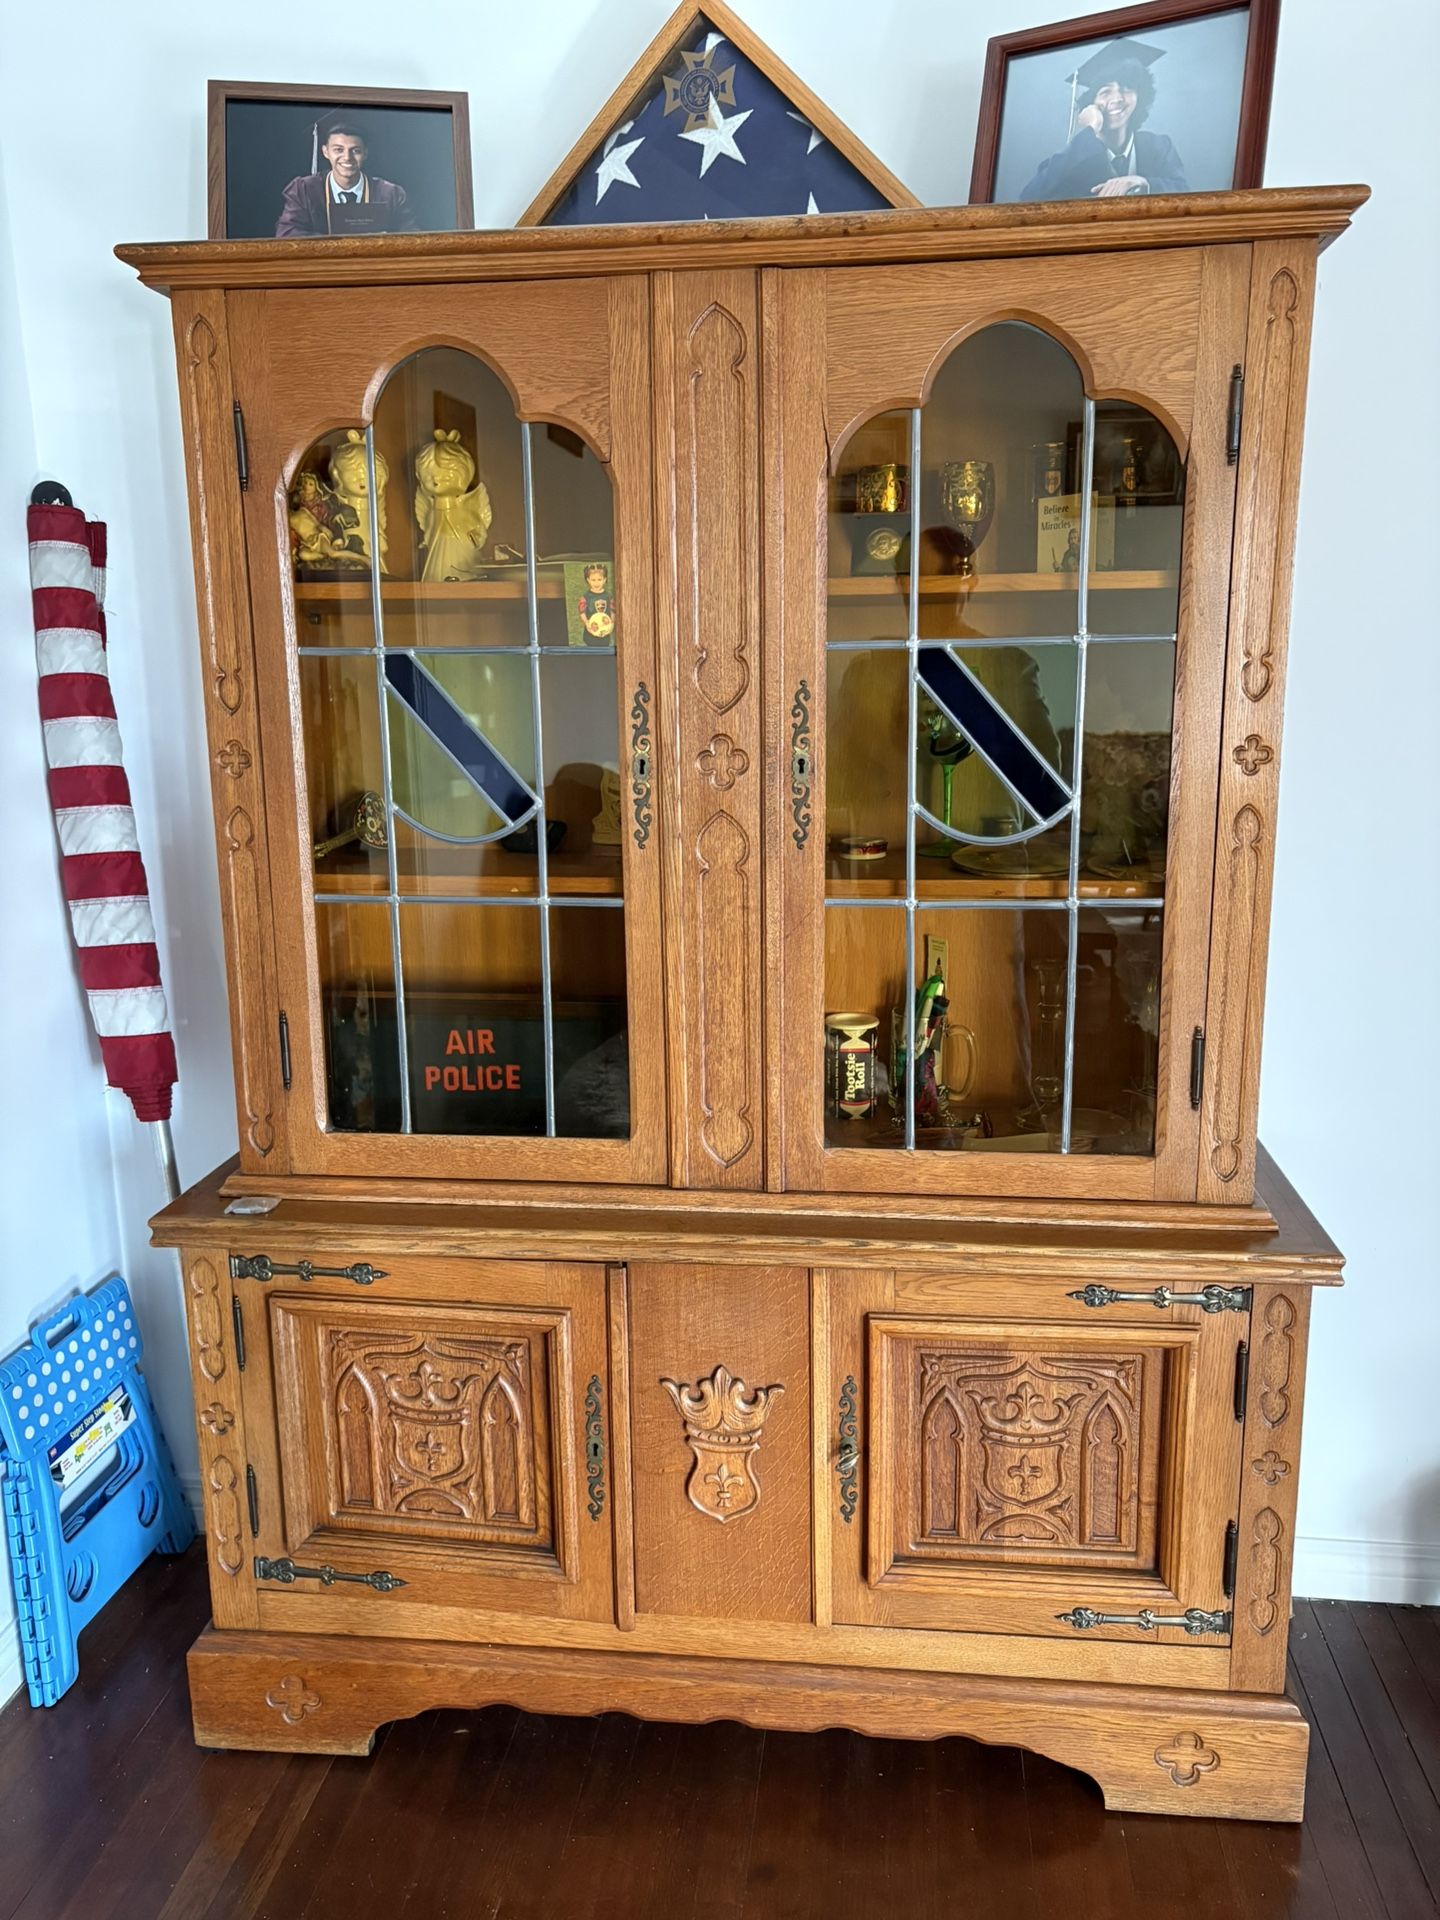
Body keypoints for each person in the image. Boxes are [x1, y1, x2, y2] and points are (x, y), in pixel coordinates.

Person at [1019, 39, 1187, 202]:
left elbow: (1183, 192)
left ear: (1140, 97)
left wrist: (1143, 183)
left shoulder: (1158, 147)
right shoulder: (1073, 155)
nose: (1117, 98)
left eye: (1127, 88)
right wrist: (1091, 130)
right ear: (1091, 103)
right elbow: (1029, 198)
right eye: (1105, 92)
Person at [275, 111, 418, 237]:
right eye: (338, 150)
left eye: (355, 150)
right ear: (325, 152)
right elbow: (286, 233)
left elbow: (412, 239)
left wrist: (385, 241)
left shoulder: (391, 194)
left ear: (365, 153)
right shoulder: (304, 190)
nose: (347, 157)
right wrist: (337, 244)